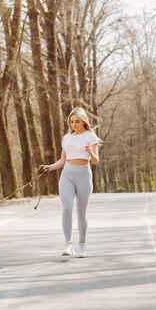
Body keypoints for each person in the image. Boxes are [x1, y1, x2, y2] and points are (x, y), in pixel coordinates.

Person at [42, 107, 101, 258]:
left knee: (81, 214)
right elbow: (62, 161)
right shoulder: (67, 138)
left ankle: (82, 245)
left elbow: (95, 161)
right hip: (67, 174)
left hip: (84, 176)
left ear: (83, 122)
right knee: (66, 208)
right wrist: (50, 167)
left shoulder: (91, 136)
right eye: (71, 121)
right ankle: (68, 244)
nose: (74, 124)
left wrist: (91, 153)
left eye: (77, 122)